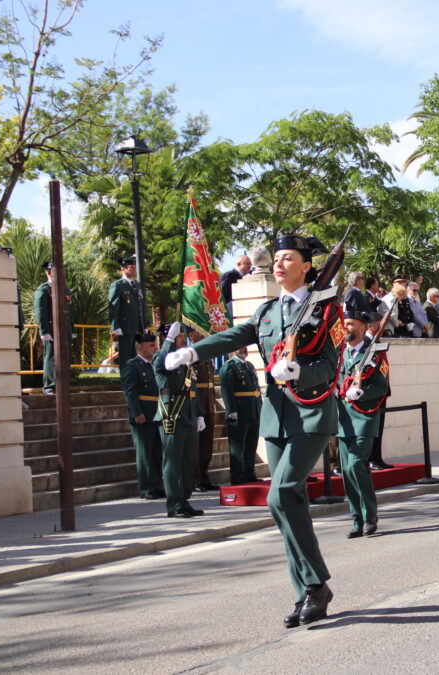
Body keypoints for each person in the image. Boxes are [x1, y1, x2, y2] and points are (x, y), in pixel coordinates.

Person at [163, 234, 341, 627]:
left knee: (281, 495)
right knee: (286, 503)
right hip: (277, 416)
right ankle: (306, 593)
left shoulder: (327, 311)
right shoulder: (267, 312)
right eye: (276, 258)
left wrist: (299, 370)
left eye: (288, 258)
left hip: (311, 415)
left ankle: (316, 584)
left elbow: (331, 365)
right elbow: (233, 336)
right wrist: (193, 352)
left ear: (307, 266)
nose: (278, 264)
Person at [337, 312, 388, 538]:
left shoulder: (376, 353)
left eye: (350, 324)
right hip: (343, 419)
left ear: (362, 327)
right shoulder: (339, 353)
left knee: (357, 464)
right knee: (347, 471)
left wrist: (362, 392)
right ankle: (356, 519)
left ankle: (370, 515)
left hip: (364, 417)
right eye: (344, 324)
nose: (345, 327)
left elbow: (382, 387)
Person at [154, 322, 205, 519]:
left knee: (187, 462)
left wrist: (200, 413)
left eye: (183, 337)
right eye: (179, 337)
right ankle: (173, 503)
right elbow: (161, 363)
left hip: (188, 416)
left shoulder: (185, 363)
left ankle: (184, 500)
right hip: (172, 415)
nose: (183, 340)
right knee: (172, 462)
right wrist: (167, 342)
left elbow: (193, 391)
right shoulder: (164, 359)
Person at [121, 332, 163, 500]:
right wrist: (136, 412)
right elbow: (130, 391)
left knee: (156, 451)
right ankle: (146, 487)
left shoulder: (153, 365)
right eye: (151, 345)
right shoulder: (132, 365)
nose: (155, 348)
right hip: (143, 412)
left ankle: (157, 485)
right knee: (145, 452)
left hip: (156, 411)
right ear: (141, 347)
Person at [220, 346, 261, 484]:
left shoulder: (249, 365)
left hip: (253, 409)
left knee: (251, 443)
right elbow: (226, 390)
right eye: (240, 347)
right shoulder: (230, 366)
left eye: (245, 347)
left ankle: (250, 473)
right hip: (239, 410)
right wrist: (231, 410)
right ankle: (237, 476)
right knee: (238, 447)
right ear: (233, 350)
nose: (244, 349)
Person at [34, 261, 75, 393]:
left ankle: (63, 385)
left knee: (65, 356)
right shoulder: (44, 289)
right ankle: (49, 386)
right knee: (51, 357)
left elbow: (70, 311)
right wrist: (44, 331)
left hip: (65, 328)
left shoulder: (65, 289)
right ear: (48, 273)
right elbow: (41, 311)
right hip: (51, 329)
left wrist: (71, 328)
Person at [189, 328, 218, 491]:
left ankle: (204, 477)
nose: (203, 333)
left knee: (207, 444)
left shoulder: (206, 356)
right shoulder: (190, 355)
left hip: (208, 403)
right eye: (199, 330)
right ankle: (196, 479)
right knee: (196, 445)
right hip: (197, 404)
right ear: (192, 335)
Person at [108, 256, 148, 368]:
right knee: (125, 358)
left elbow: (141, 307)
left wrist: (145, 324)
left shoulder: (136, 286)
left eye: (135, 267)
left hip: (137, 327)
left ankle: (135, 381)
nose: (134, 269)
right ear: (123, 268)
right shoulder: (118, 285)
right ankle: (126, 383)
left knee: (136, 357)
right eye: (131, 267)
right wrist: (115, 326)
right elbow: (113, 307)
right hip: (125, 328)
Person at [220, 254, 252, 319]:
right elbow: (222, 295)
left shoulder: (249, 276)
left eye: (250, 264)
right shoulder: (230, 276)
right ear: (238, 264)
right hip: (232, 313)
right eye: (247, 264)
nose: (249, 266)